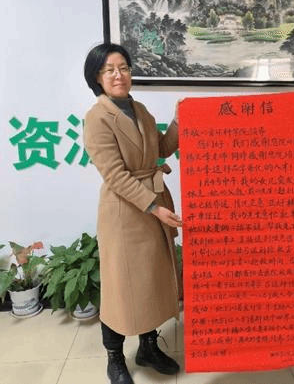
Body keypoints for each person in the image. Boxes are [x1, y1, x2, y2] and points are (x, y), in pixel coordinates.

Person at [83, 43, 182, 384]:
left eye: (123, 67)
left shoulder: (140, 110)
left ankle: (148, 347)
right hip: (125, 213)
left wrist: (178, 121)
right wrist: (154, 207)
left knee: (150, 281)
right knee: (121, 288)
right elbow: (115, 175)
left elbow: (161, 149)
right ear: (97, 77)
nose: (118, 75)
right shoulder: (97, 118)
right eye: (109, 69)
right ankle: (114, 357)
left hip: (154, 206)